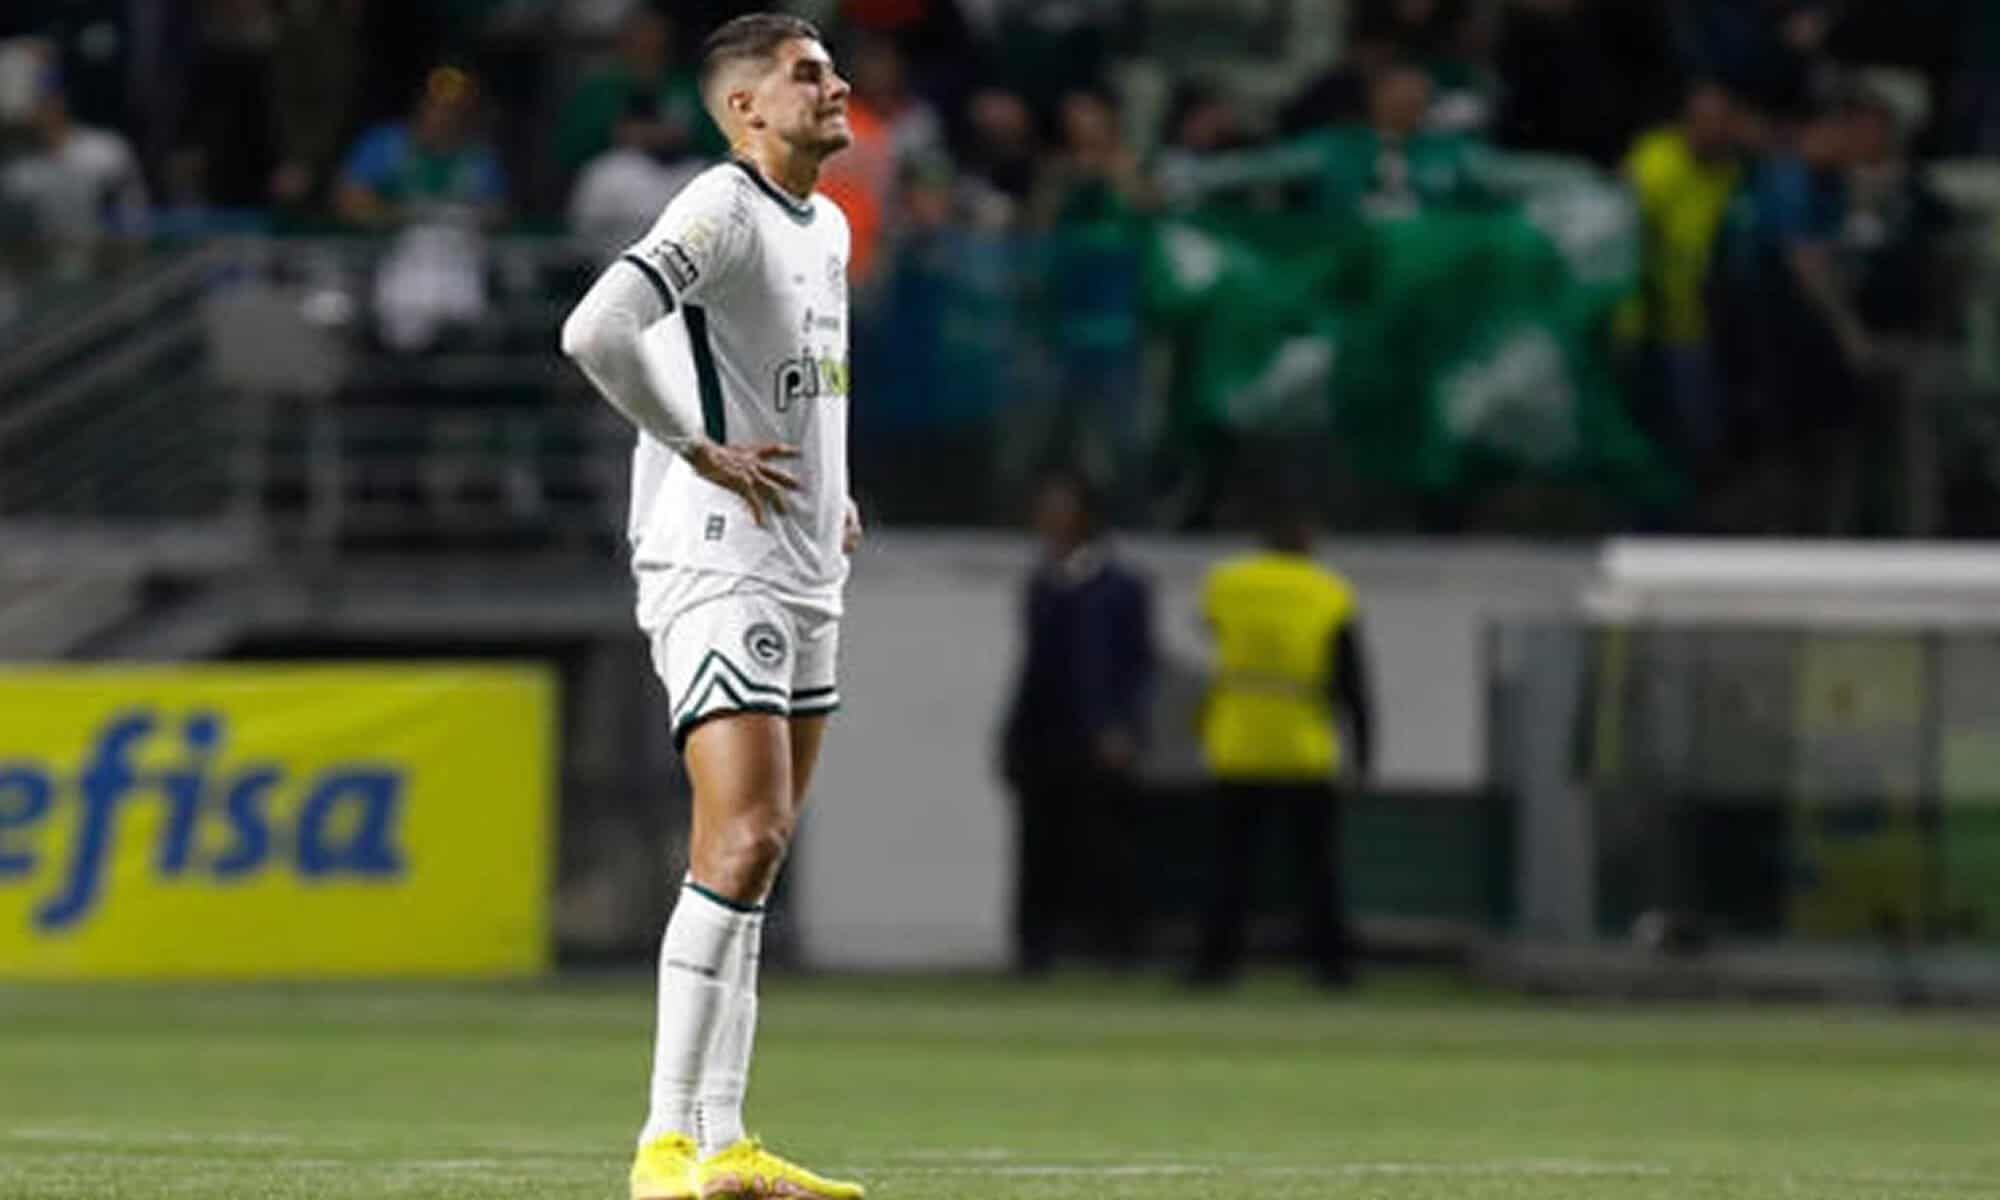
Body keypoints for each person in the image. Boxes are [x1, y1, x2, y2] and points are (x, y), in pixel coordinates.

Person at [559, 14, 865, 1200]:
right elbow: (594, 329)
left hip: (804, 562)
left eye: (830, 67)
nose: (833, 84)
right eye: (806, 74)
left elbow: (809, 380)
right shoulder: (720, 208)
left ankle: (724, 1141)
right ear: (744, 108)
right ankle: (659, 1148)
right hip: (715, 557)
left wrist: (837, 491)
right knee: (740, 836)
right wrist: (692, 446)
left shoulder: (826, 225)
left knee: (758, 853)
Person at [1190, 499, 1375, 988]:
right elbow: (1351, 679)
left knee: (1230, 865)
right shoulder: (1329, 591)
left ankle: (1215, 965)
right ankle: (1331, 967)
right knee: (1317, 868)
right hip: (1302, 745)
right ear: (1309, 538)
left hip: (1238, 743)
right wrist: (1363, 749)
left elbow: (1210, 633)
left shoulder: (1227, 583)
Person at [999, 472, 1155, 975]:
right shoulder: (1043, 582)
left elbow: (1135, 664)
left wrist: (1123, 726)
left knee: (1106, 846)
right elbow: (1033, 665)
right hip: (1045, 732)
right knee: (1038, 846)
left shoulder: (1121, 587)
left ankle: (1117, 947)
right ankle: (1034, 950)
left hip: (1100, 734)